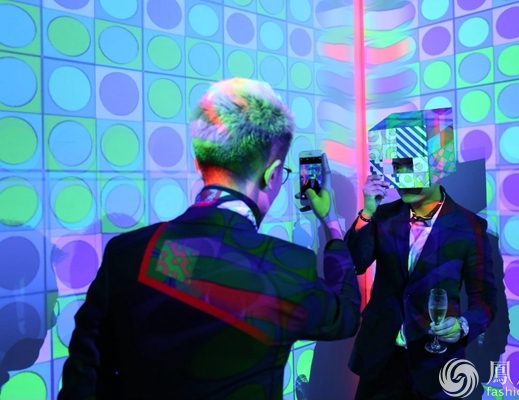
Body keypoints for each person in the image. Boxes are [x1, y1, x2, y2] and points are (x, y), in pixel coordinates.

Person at [58, 78, 361, 400]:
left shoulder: (126, 252)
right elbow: (345, 315)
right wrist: (330, 223)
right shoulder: (287, 266)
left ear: (199, 164)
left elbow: (84, 377)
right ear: (272, 175)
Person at [345, 164, 497, 399]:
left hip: (435, 365)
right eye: (399, 169)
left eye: (413, 169)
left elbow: (485, 298)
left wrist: (463, 325)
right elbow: (353, 264)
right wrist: (367, 212)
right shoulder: (383, 216)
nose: (405, 179)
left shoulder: (469, 226)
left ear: (438, 169)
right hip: (380, 359)